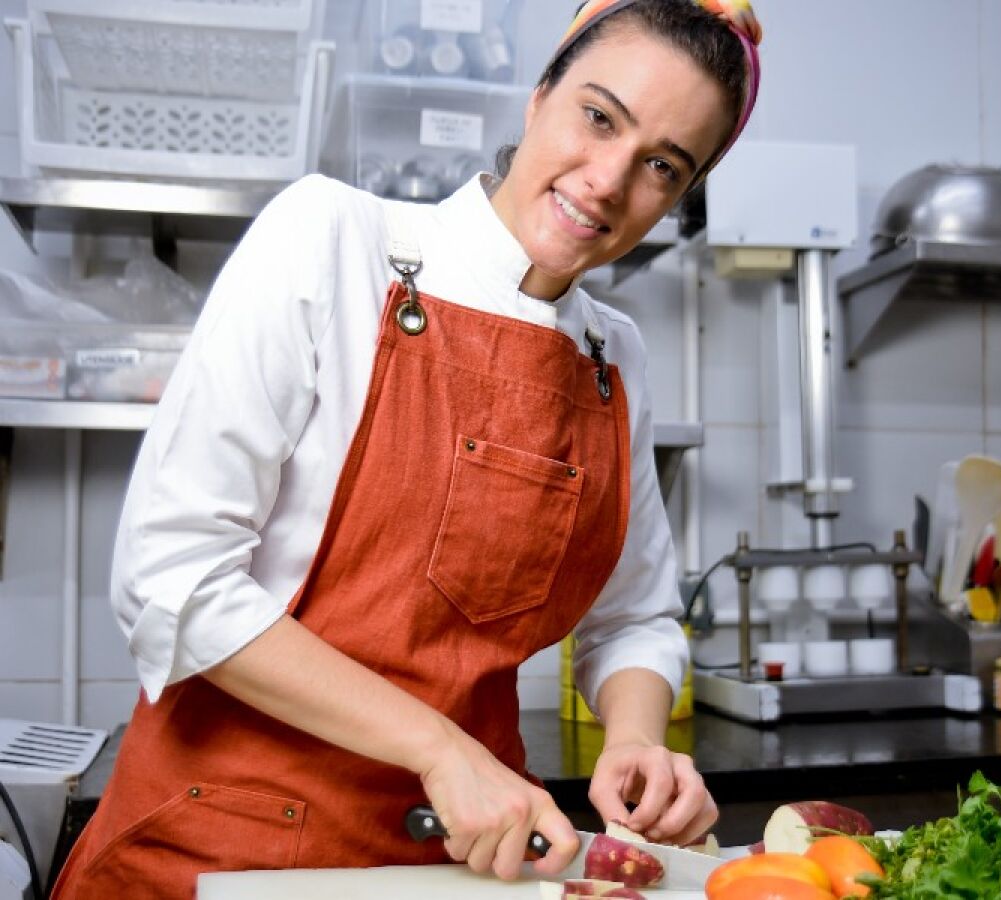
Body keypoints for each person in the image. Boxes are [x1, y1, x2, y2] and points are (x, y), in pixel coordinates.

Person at [50, 1, 762, 896]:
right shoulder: (336, 240)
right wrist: (439, 747)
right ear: (540, 94)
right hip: (220, 849)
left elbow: (636, 618)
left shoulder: (612, 354)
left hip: (460, 866)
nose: (610, 180)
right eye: (597, 116)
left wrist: (635, 741)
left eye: (662, 165)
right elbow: (172, 580)